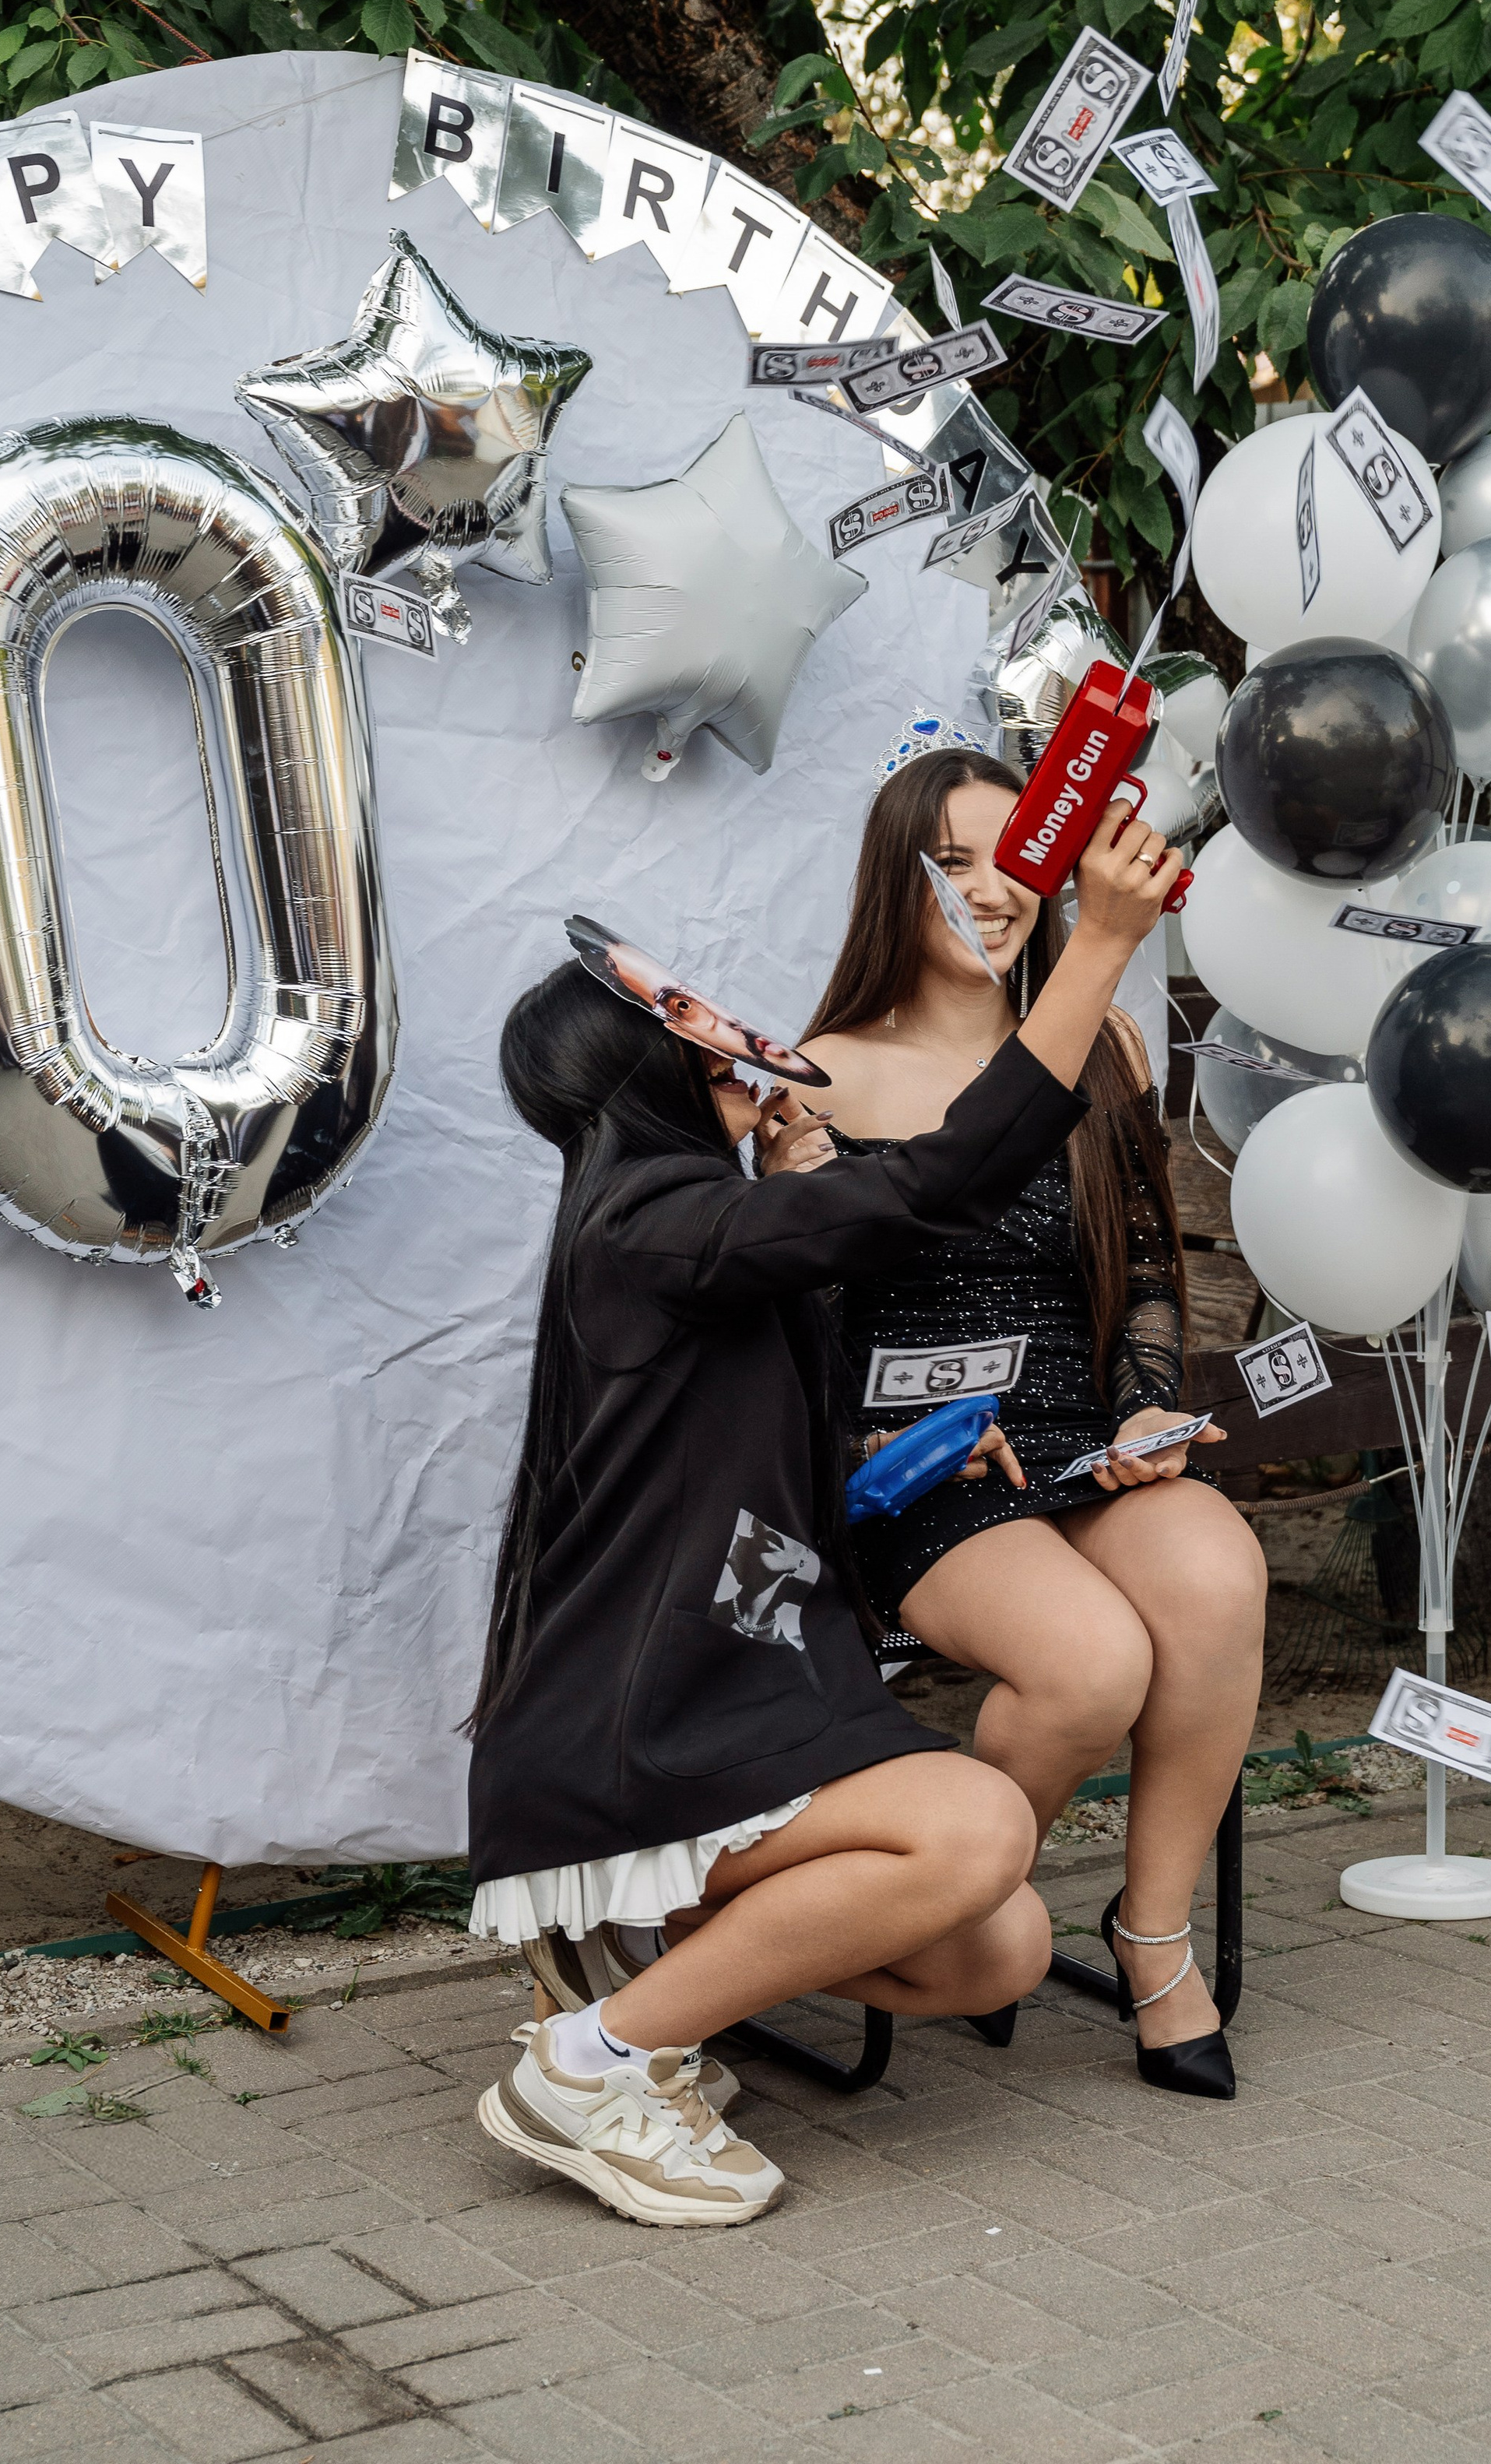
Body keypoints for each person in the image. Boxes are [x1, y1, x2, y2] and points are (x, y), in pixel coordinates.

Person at [464, 802, 1183, 2227]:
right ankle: (590, 2066)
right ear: (639, 1067)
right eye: (676, 1008)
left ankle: (641, 1958)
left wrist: (899, 1460)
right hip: (645, 1722)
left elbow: (754, 1459)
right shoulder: (651, 1226)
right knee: (980, 1829)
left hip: (745, 1694)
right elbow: (942, 1184)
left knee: (1001, 1949)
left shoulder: (705, 1227)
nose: (719, 1017)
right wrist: (1100, 942)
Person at [801, 746, 1268, 2100]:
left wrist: (1143, 1414)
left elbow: (1146, 1276)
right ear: (895, 880)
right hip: (924, 1464)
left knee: (1217, 1572)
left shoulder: (1101, 1043)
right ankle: (962, 1908)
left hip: (1077, 1437)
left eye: (1016, 853)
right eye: (949, 859)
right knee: (1087, 1665)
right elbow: (797, 1332)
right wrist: (866, 1453)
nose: (990, 886)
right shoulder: (818, 1074)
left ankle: (1151, 1937)